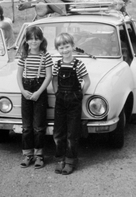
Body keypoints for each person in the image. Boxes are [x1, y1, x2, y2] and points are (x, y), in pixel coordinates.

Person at [52, 32, 91, 175]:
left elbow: (87, 82)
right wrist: (57, 93)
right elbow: (54, 80)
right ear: (58, 50)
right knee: (58, 132)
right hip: (60, 101)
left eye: (67, 46)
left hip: (74, 101)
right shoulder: (57, 64)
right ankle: (60, 159)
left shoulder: (78, 65)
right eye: (61, 48)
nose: (65, 50)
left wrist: (80, 95)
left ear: (73, 47)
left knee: (72, 132)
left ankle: (70, 160)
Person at [17, 26, 53, 169]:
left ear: (41, 40)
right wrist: (23, 90)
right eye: (30, 39)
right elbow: (19, 75)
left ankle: (39, 155)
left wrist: (38, 92)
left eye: (36, 39)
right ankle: (27, 154)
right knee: (26, 126)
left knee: (39, 126)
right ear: (26, 40)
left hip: (40, 91)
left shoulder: (45, 56)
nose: (33, 42)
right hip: (26, 90)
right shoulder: (24, 55)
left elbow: (49, 76)